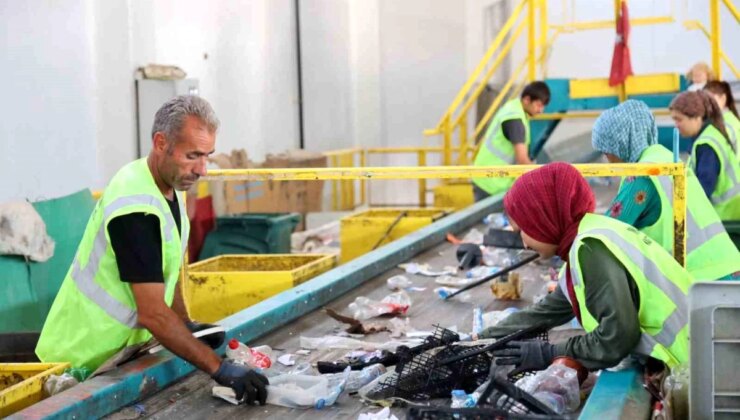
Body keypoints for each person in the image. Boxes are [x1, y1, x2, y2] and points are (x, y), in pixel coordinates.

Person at [36, 96, 269, 405]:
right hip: (81, 364)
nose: (202, 169)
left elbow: (166, 272)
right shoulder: (135, 207)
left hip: (120, 356)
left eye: (208, 156)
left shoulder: (170, 183)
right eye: (193, 155)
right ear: (161, 142)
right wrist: (219, 368)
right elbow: (153, 313)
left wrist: (186, 324)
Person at [482, 162, 696, 372]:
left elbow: (618, 338)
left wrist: (551, 352)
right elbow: (544, 313)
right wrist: (480, 339)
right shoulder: (591, 234)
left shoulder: (590, 250)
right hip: (688, 353)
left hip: (686, 364)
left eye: (523, 230)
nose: (524, 243)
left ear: (543, 218)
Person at [592, 100, 739, 279]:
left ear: (622, 143)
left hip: (703, 279)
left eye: (607, 150)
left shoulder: (643, 175)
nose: (606, 158)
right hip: (727, 267)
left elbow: (606, 233)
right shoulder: (666, 158)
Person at [472, 81, 550, 202]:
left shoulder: (515, 109)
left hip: (491, 177)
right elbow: (522, 160)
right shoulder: (515, 120)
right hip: (491, 182)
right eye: (539, 105)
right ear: (527, 100)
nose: (541, 110)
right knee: (494, 219)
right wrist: (544, 179)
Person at [670, 91, 740, 221]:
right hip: (733, 211)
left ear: (697, 117)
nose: (676, 125)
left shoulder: (706, 145)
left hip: (724, 217)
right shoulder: (713, 132)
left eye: (679, 119)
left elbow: (702, 192)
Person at [704, 80, 740, 160]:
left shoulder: (727, 126)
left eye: (711, 100)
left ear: (723, 99)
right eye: (704, 101)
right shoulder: (729, 120)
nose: (707, 105)